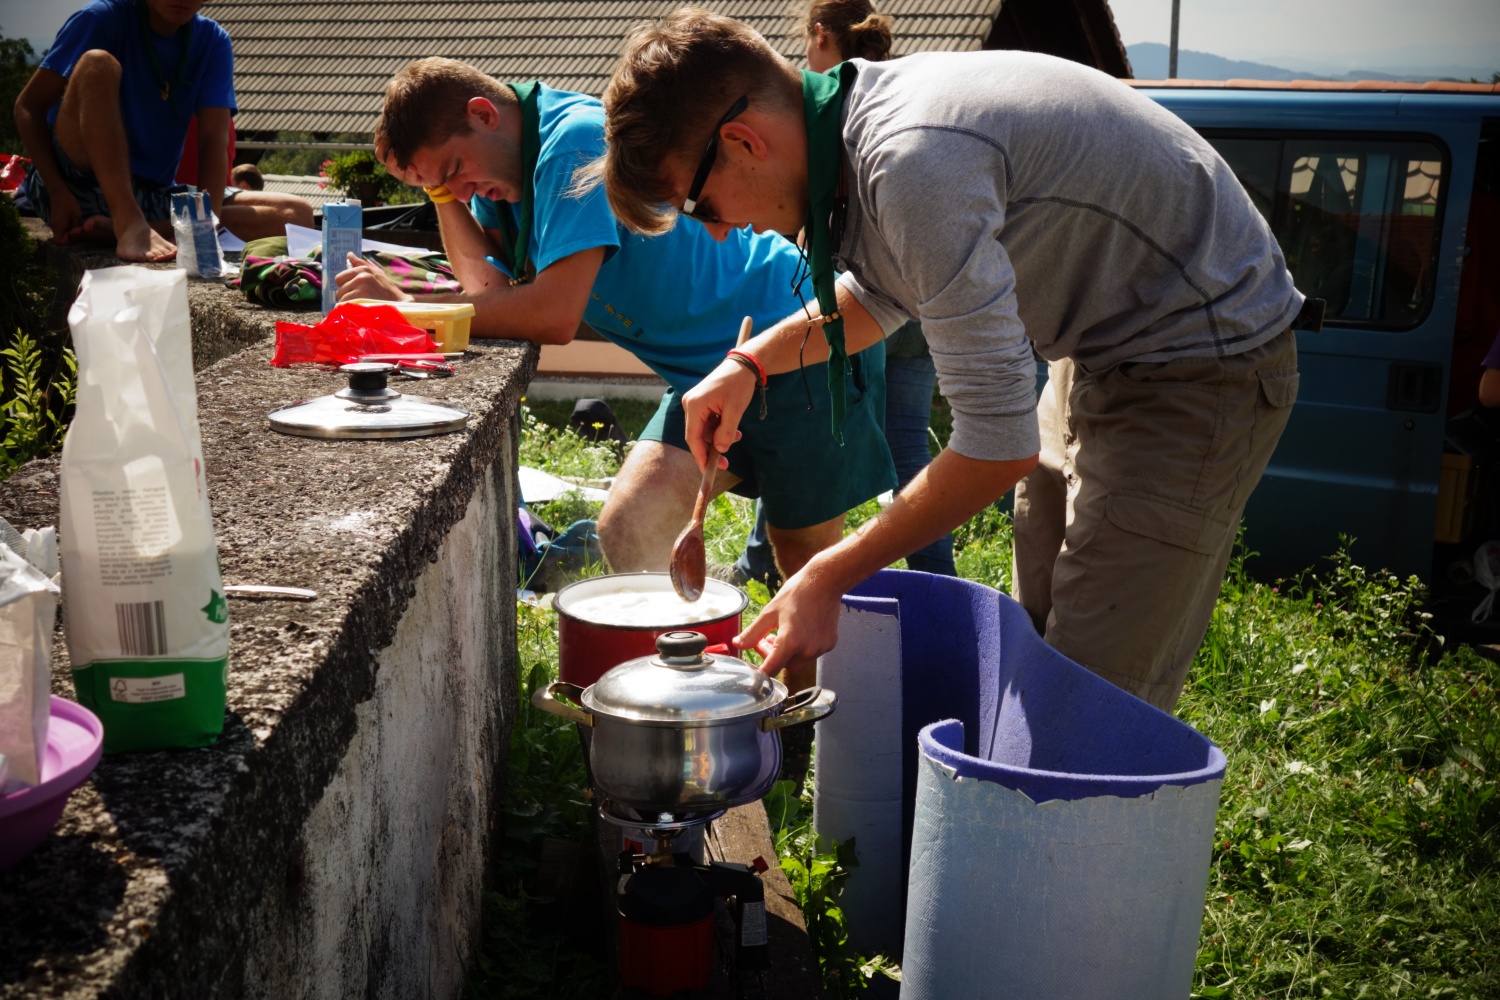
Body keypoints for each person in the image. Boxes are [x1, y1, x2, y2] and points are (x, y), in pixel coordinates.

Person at [592, 9, 1302, 712]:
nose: (718, 234)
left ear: (743, 141)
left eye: (701, 205)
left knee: (1092, 694)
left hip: (1201, 357)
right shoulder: (853, 125)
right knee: (1042, 635)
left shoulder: (910, 157)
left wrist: (830, 572)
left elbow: (996, 446)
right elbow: (878, 295)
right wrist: (746, 365)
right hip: (1099, 346)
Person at [335, 57, 895, 580]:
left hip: (792, 340)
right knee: (628, 530)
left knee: (803, 567)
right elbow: (488, 289)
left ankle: (815, 686)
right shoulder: (499, 176)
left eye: (454, 169)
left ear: (484, 114)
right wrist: (441, 190)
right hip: (706, 375)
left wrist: (409, 313)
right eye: (440, 182)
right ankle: (685, 674)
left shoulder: (572, 142)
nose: (460, 189)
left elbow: (553, 315)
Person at [13, 0, 308, 262]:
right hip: (73, 184)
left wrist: (204, 226)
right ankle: (126, 222)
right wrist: (56, 189)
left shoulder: (212, 40)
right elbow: (28, 107)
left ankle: (118, 228)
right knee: (97, 64)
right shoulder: (101, 17)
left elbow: (213, 141)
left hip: (150, 191)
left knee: (297, 216)